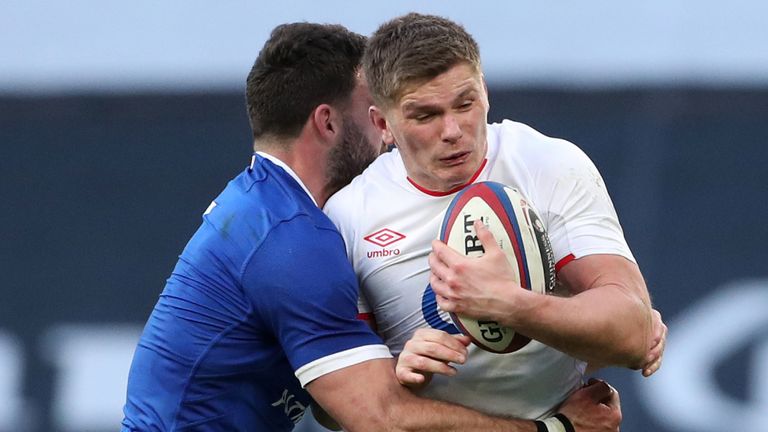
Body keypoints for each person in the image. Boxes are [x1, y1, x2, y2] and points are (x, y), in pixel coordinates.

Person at [121, 22, 623, 432]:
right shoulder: (294, 240)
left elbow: (335, 405)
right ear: (328, 123)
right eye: (371, 114)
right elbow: (380, 418)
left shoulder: (266, 209)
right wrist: (556, 430)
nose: (384, 134)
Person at [324, 12, 666, 422]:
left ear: (485, 91)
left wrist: (508, 304)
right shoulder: (348, 215)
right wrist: (396, 375)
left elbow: (633, 334)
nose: (453, 130)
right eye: (425, 115)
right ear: (383, 124)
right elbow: (335, 408)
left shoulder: (548, 165)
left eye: (465, 104)